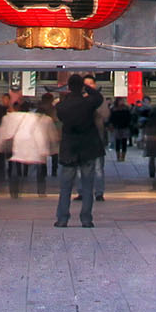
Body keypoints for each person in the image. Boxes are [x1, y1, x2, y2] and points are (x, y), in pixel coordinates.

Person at [54, 76, 105, 228]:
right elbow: (98, 97)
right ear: (81, 86)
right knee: (88, 185)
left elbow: (62, 119)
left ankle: (62, 219)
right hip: (88, 147)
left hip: (69, 148)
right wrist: (86, 87)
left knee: (65, 187)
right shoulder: (88, 103)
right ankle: (86, 219)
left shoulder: (62, 106)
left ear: (69, 87)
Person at [0, 97, 52, 195]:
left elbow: (5, 131)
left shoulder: (10, 117)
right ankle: (41, 190)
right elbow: (40, 134)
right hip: (33, 147)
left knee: (14, 167)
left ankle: (14, 191)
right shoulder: (37, 118)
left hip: (16, 145)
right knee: (39, 169)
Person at [108, 96, 136, 162]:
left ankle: (123, 157)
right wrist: (111, 125)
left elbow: (130, 117)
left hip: (125, 127)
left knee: (124, 142)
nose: (122, 102)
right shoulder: (113, 109)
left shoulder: (126, 108)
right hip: (117, 127)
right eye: (121, 100)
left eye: (123, 100)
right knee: (117, 142)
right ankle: (118, 156)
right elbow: (111, 118)